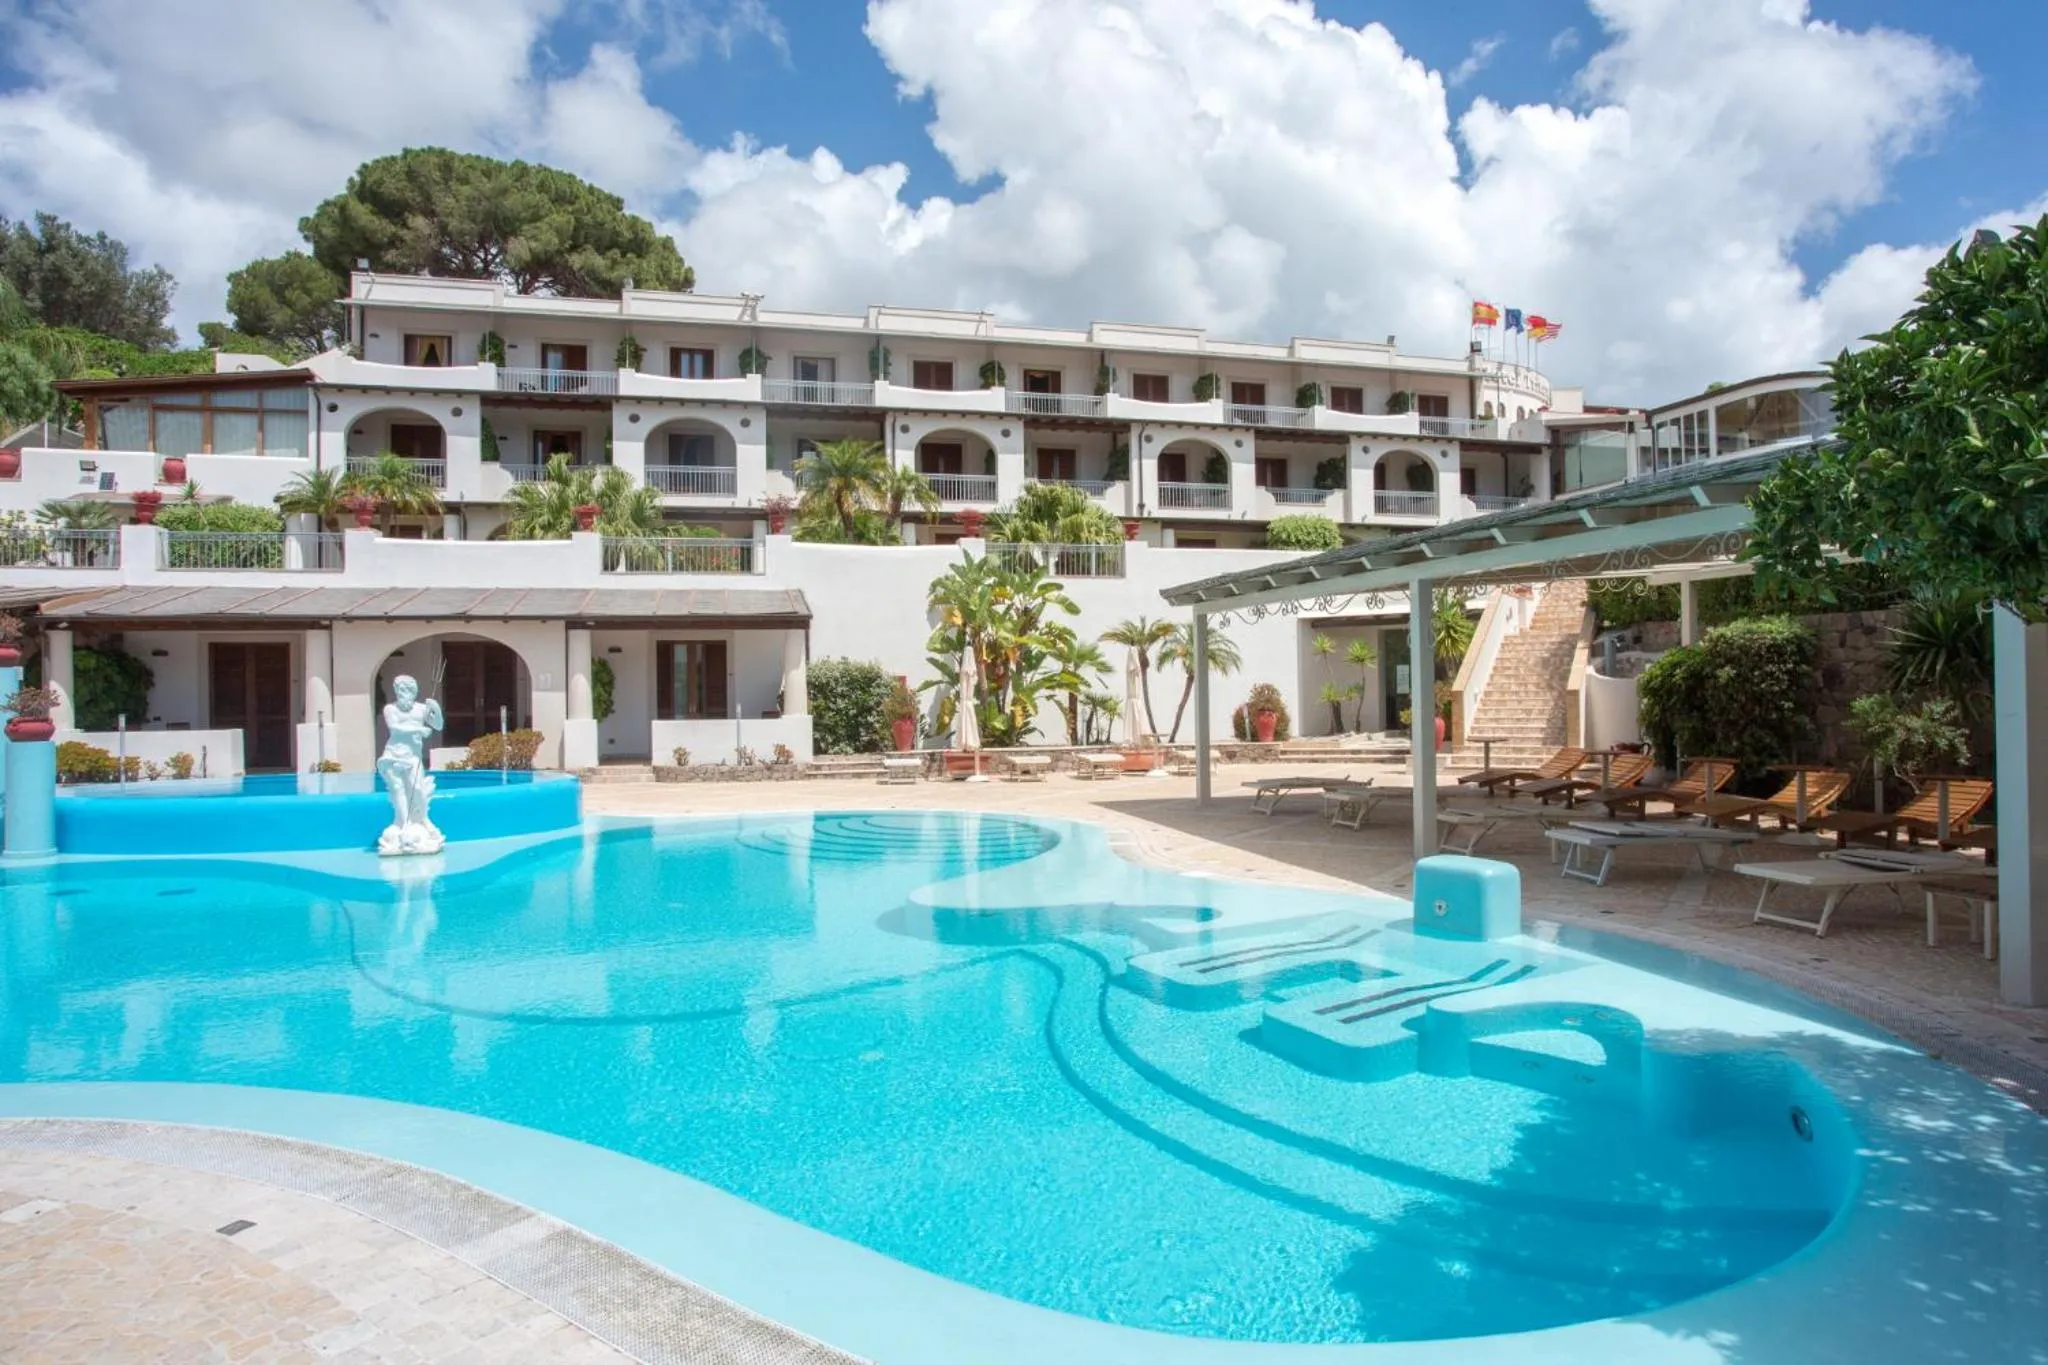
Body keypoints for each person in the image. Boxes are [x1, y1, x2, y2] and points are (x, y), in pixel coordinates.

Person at [376, 674, 445, 855]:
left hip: (413, 756)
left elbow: (438, 726)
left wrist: (435, 709)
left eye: (408, 689)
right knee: (398, 789)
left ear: (414, 692)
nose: (404, 693)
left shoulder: (422, 709)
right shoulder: (390, 709)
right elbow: (395, 728)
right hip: (392, 754)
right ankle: (403, 823)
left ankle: (422, 819)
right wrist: (419, 729)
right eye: (400, 689)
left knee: (418, 789)